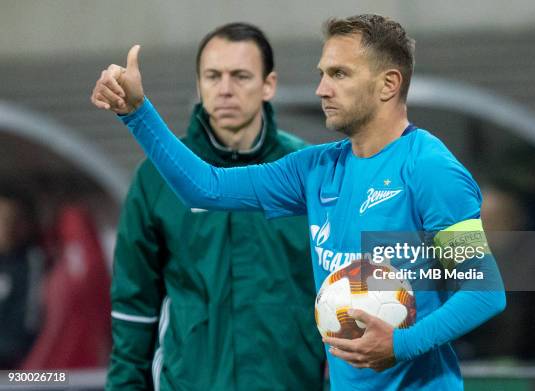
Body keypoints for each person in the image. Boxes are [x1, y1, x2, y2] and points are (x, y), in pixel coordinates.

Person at [92, 14, 506, 391]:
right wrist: (136, 112)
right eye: (322, 74)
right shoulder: (315, 169)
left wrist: (400, 344)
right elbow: (207, 187)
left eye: (339, 74)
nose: (321, 88)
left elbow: (484, 293)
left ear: (389, 83)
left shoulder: (431, 170)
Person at [97, 23, 325, 390]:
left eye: (240, 76)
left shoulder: (310, 172)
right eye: (213, 76)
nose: (225, 90)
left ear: (269, 84)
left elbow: (344, 289)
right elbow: (132, 307)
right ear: (199, 84)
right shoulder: (157, 177)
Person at [0, 186, 44, 369]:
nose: (5, 228)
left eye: (8, 221)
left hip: (15, 359)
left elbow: (30, 318)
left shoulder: (31, 260)